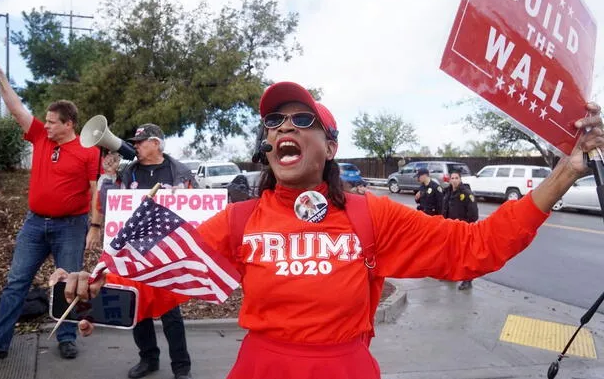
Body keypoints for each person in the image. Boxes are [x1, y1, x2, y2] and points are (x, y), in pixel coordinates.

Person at [53, 81, 604, 379]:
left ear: (330, 146)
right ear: (268, 147)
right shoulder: (241, 219)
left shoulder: (371, 215)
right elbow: (166, 276)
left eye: (301, 120)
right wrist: (97, 289)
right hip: (260, 366)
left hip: (345, 366)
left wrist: (564, 173)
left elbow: (477, 248)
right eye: (274, 122)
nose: (283, 128)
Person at [0, 60, 100, 365]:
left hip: (71, 226)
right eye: (47, 120)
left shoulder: (89, 151)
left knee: (69, 285)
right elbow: (16, 109)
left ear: (69, 124)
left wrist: (94, 226)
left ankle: (66, 338)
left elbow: (95, 190)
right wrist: (0, 77)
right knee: (16, 283)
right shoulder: (39, 136)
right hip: (35, 224)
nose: (46, 124)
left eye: (53, 121)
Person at [87, 123, 198, 379]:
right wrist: (109, 175)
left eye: (141, 142)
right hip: (136, 253)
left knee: (171, 313)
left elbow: (197, 208)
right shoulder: (128, 174)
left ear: (156, 143)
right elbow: (106, 204)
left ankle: (182, 368)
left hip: (168, 253)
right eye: (134, 143)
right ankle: (148, 359)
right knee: (138, 308)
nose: (135, 146)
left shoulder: (179, 172)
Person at [442, 169, 479, 290]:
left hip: (463, 230)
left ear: (460, 179)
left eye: (456, 178)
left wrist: (466, 227)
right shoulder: (447, 192)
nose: (454, 180)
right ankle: (452, 275)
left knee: (464, 256)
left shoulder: (467, 194)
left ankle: (467, 280)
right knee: (451, 254)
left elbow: (474, 215)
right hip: (449, 228)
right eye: (452, 178)